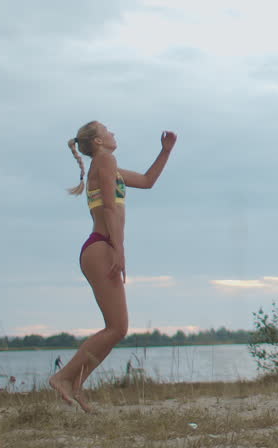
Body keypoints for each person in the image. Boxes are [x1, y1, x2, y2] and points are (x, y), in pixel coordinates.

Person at [48, 121, 177, 412]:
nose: (113, 134)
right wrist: (119, 249)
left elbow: (146, 180)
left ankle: (74, 382)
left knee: (116, 327)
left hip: (98, 247)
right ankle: (63, 377)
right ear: (97, 141)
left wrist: (165, 152)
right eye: (108, 131)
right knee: (117, 327)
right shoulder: (106, 160)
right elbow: (108, 208)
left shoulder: (109, 167)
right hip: (102, 247)